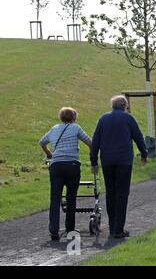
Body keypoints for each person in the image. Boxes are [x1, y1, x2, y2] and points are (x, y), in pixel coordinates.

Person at [90, 96, 148, 239]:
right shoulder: (128, 118)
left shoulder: (103, 119)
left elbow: (95, 140)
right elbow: (138, 137)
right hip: (124, 160)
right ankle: (118, 229)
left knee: (111, 193)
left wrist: (93, 161)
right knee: (122, 194)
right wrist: (144, 154)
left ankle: (111, 226)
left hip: (107, 160)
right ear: (124, 106)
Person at [39, 107, 92, 241]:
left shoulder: (54, 129)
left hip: (56, 165)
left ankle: (54, 231)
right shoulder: (76, 128)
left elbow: (42, 142)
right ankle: (70, 229)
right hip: (72, 165)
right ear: (74, 117)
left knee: (55, 198)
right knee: (71, 197)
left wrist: (49, 154)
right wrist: (94, 154)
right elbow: (89, 142)